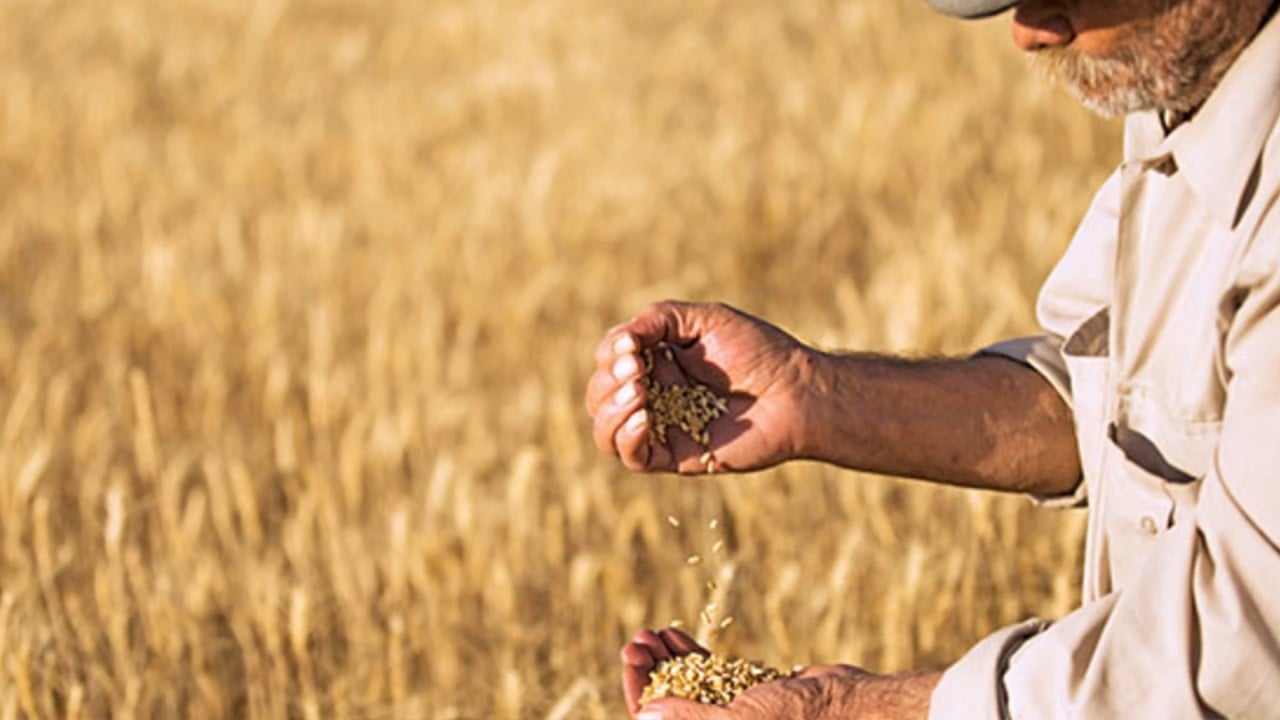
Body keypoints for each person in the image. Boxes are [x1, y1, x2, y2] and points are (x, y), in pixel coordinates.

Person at [585, 0, 1280, 717]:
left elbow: (1240, 645)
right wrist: (810, 396)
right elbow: (1115, 402)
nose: (1029, 31)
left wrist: (836, 708)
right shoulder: (1193, 92)